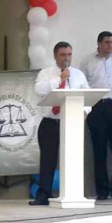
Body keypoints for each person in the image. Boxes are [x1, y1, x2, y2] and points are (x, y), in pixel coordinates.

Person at [29, 42, 91, 206]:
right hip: (50, 122)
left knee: (72, 158)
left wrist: (85, 111)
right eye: (63, 55)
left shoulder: (78, 75)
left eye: (69, 54)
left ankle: (74, 193)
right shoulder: (46, 73)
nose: (66, 58)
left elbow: (88, 96)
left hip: (72, 124)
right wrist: (60, 79)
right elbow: (39, 90)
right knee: (48, 160)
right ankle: (43, 196)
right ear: (55, 55)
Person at [79, 31, 112, 200]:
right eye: (107, 42)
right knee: (99, 150)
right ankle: (103, 190)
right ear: (99, 43)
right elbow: (82, 85)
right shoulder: (87, 61)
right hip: (96, 107)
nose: (110, 45)